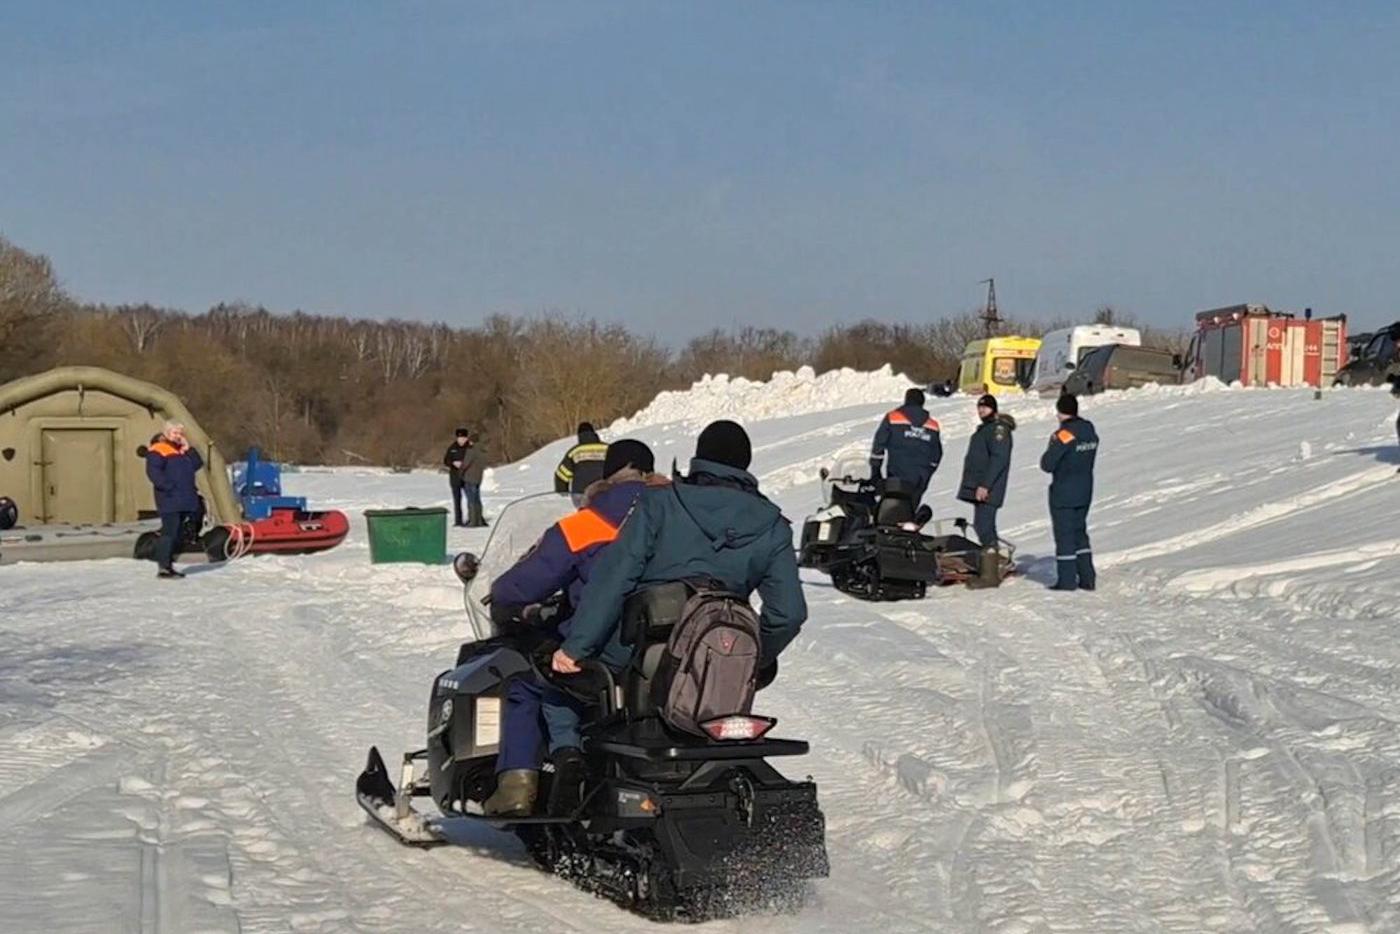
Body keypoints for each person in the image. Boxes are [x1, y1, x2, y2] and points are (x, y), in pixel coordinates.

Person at [552, 419, 807, 686]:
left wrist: (576, 648)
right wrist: (751, 657)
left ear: (699, 457)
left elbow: (614, 577)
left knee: (560, 694)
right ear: (746, 463)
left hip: (638, 652)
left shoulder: (660, 503)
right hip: (717, 657)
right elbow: (789, 613)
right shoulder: (773, 525)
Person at [482, 439, 660, 816]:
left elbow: (531, 577)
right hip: (664, 649)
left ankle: (518, 785)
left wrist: (501, 594)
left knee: (527, 681)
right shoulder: (675, 516)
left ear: (608, 474)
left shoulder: (589, 521)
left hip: (602, 647)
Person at [1040, 393, 1099, 591]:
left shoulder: (1064, 434)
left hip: (1064, 492)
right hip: (1085, 490)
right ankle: (1087, 577)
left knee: (1064, 535)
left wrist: (1053, 443)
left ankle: (1066, 580)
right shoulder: (1089, 430)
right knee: (1080, 532)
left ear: (1061, 412)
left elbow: (1047, 464)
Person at [956, 394, 1016, 589]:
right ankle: (991, 567)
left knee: (984, 526)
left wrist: (985, 485)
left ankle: (990, 575)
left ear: (994, 408)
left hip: (989, 488)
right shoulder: (986, 429)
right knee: (983, 525)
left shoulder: (998, 430)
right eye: (979, 407)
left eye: (985, 407)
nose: (981, 410)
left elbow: (999, 459)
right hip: (981, 487)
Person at [145, 421, 204, 579]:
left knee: (178, 532)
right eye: (175, 433)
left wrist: (188, 448)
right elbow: (154, 473)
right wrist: (168, 487)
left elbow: (197, 464)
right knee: (169, 531)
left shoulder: (181, 451)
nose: (178, 436)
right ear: (166, 433)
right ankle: (164, 567)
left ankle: (169, 563)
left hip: (185, 497)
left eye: (180, 433)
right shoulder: (158, 449)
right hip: (169, 498)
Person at [869, 387, 943, 505]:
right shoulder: (932, 425)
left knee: (892, 509)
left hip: (896, 475)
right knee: (909, 510)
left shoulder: (892, 418)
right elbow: (936, 454)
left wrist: (875, 469)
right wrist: (928, 472)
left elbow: (879, 443)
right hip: (920, 479)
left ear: (906, 400)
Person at [554, 423, 609, 504]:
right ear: (593, 433)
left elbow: (562, 474)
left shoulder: (575, 452)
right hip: (604, 491)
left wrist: (562, 490)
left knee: (584, 511)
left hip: (580, 493)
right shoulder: (607, 448)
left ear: (579, 435)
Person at [443, 428, 474, 527]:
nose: (461, 440)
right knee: (457, 500)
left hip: (467, 477)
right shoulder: (452, 447)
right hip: (455, 477)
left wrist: (465, 464)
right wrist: (453, 463)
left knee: (471, 499)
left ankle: (472, 519)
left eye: (463, 438)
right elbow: (446, 460)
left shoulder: (470, 447)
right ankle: (458, 520)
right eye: (460, 438)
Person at [458, 430, 488, 527]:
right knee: (477, 500)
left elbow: (465, 464)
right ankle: (479, 520)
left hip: (469, 478)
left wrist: (460, 471)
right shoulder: (483, 451)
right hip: (478, 478)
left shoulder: (471, 450)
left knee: (471, 500)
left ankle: (472, 521)